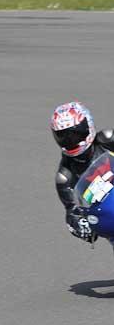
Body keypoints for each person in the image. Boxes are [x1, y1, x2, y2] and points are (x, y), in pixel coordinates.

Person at [51, 101, 114, 243]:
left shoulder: (107, 139)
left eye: (74, 134)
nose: (70, 140)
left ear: (87, 126)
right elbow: (72, 211)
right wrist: (81, 225)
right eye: (63, 136)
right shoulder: (65, 176)